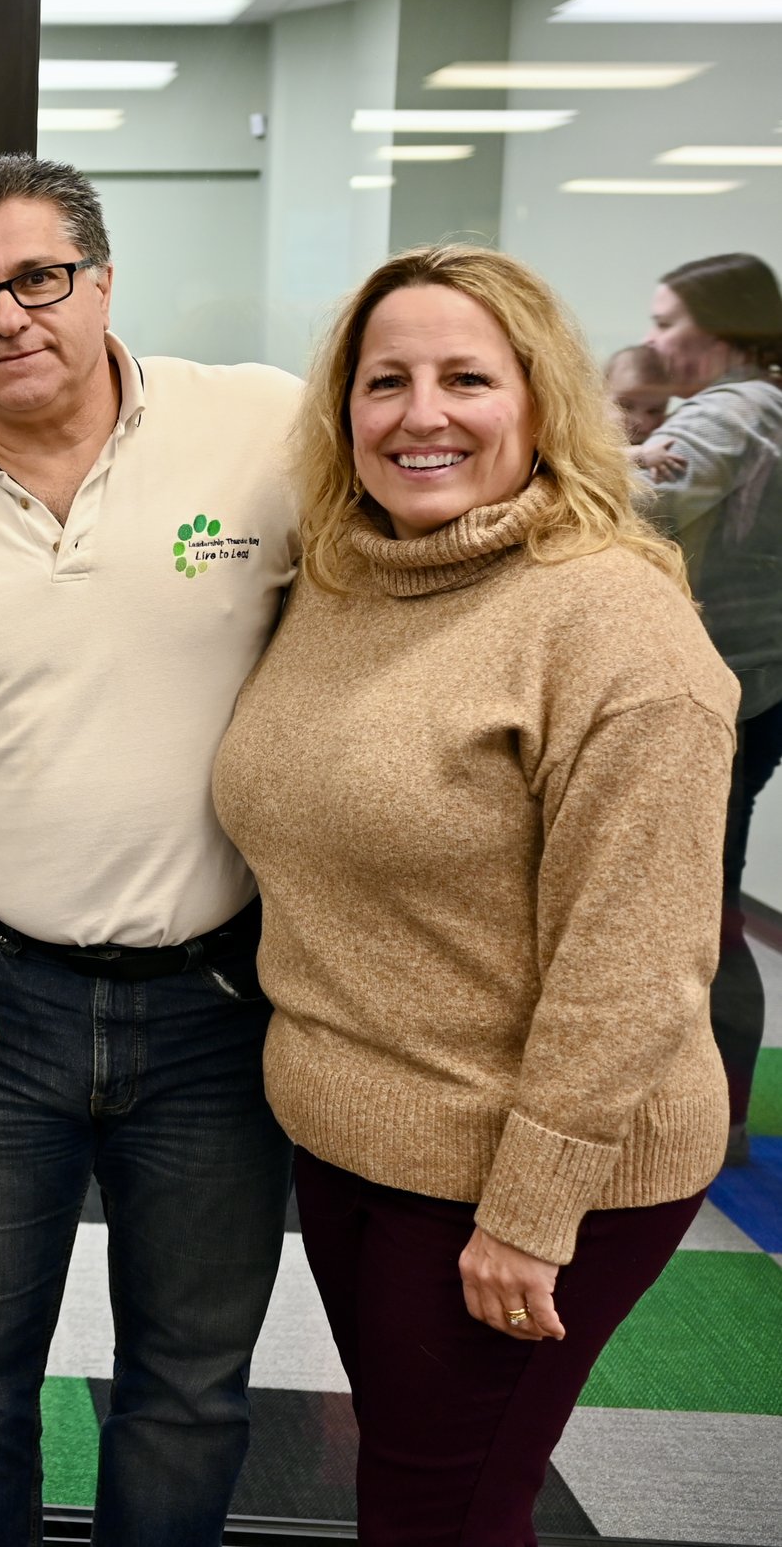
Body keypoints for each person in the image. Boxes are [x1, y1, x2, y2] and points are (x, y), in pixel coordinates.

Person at [214, 244, 731, 1544]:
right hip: (360, 1136)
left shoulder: (612, 622)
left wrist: (530, 1211)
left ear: (542, 400)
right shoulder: (350, 573)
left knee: (437, 1505)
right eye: (385, 380)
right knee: (406, 1466)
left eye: (466, 377)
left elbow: (640, 964)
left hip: (525, 1162)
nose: (421, 413)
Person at [0, 154, 302, 1547]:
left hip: (222, 1001)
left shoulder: (264, 429)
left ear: (103, 280)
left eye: (40, 278)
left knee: (190, 1384)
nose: (10, 316)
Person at [634, 253, 782, 1161]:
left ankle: (710, 1121)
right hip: (753, 687)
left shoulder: (737, 409)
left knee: (700, 913)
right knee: (707, 904)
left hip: (727, 691)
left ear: (721, 330)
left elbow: (646, 499)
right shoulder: (760, 403)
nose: (654, 341)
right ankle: (714, 1114)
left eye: (667, 322)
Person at [605, 343, 674, 445]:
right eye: (625, 406)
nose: (640, 420)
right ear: (597, 396)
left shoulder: (668, 435)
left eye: (654, 411)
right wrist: (640, 455)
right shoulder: (583, 433)